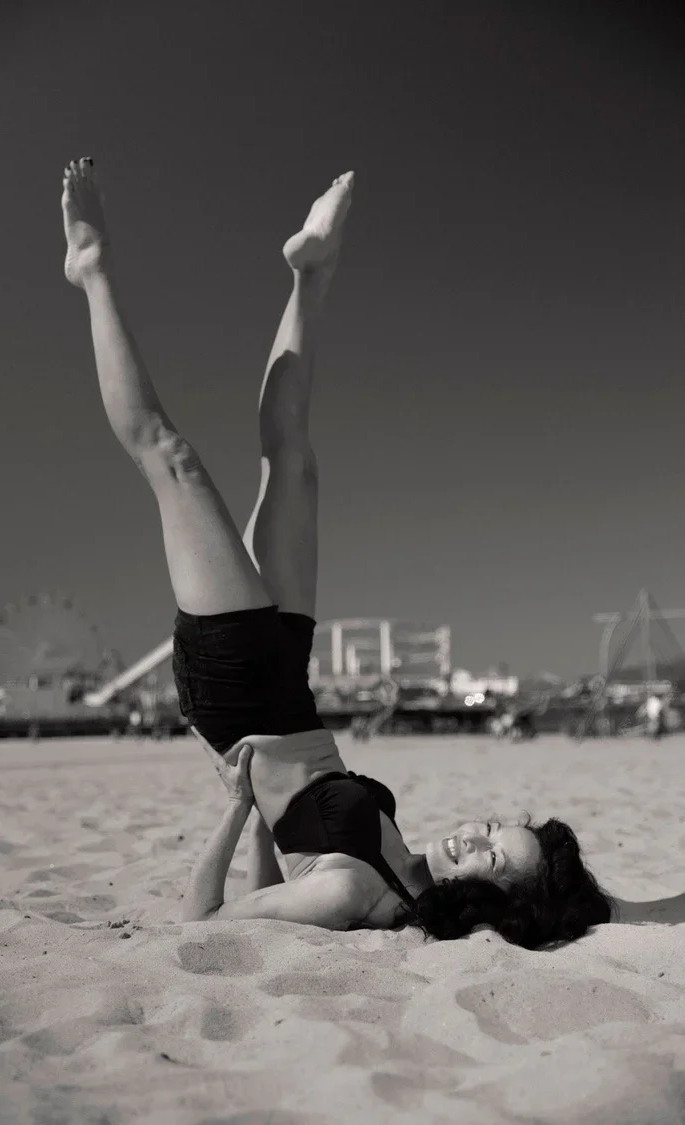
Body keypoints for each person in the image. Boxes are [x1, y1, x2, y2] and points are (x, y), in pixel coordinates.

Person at [61, 158, 617, 948]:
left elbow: (207, 917)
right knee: (293, 460)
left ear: (494, 899)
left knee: (173, 459)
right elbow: (286, 867)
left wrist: (238, 806)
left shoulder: (355, 894)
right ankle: (310, 277)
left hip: (238, 702)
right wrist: (269, 825)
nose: (476, 835)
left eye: (494, 856)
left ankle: (91, 269)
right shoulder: (397, 868)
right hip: (291, 690)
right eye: (496, 826)